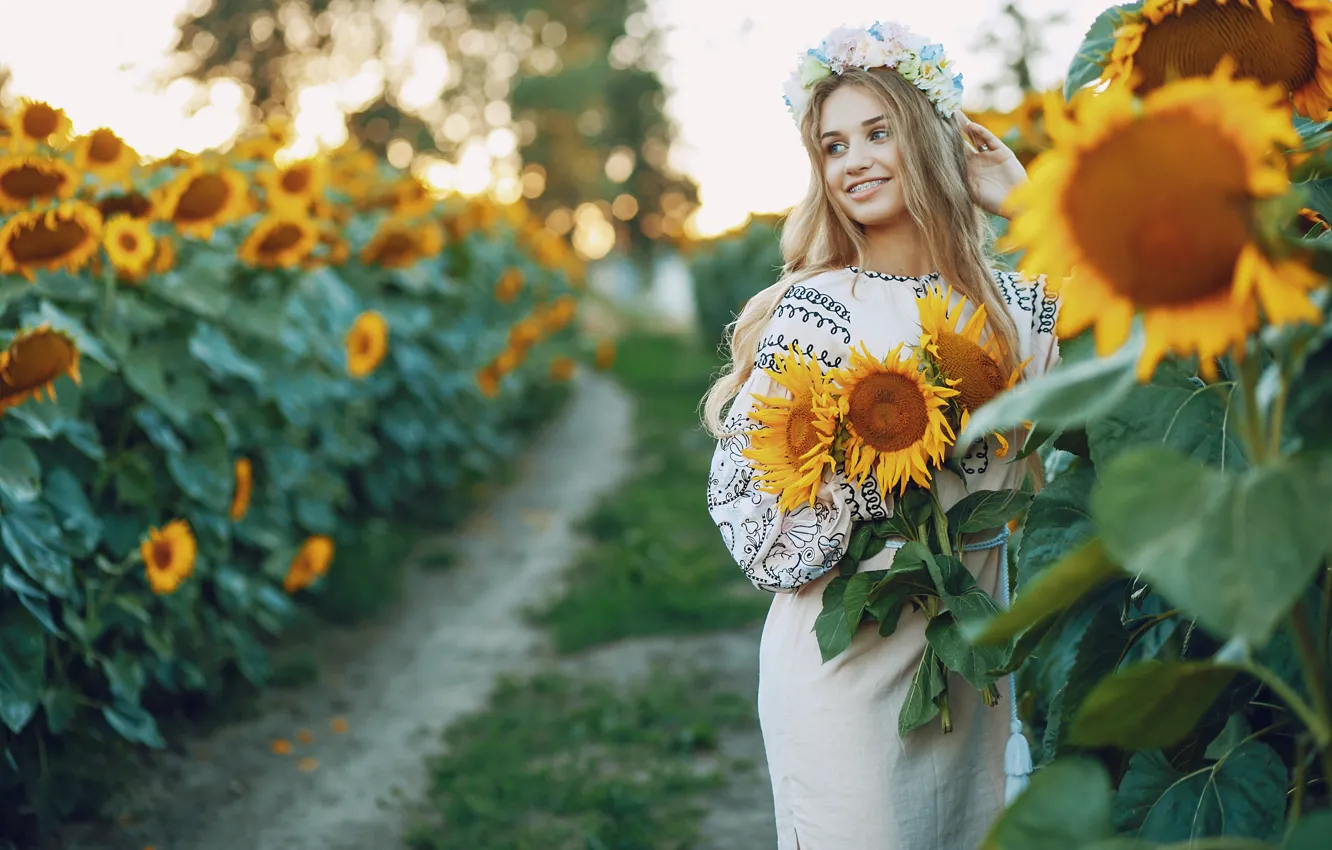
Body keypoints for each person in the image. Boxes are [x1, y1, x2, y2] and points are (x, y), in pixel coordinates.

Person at [701, 22, 1061, 850]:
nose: (854, 160)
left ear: (932, 139)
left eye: (878, 132)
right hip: (843, 677)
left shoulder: (1016, 310)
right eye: (832, 145)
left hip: (969, 666)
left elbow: (1142, 341)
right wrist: (889, 446)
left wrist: (1030, 203)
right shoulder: (819, 311)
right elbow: (756, 526)